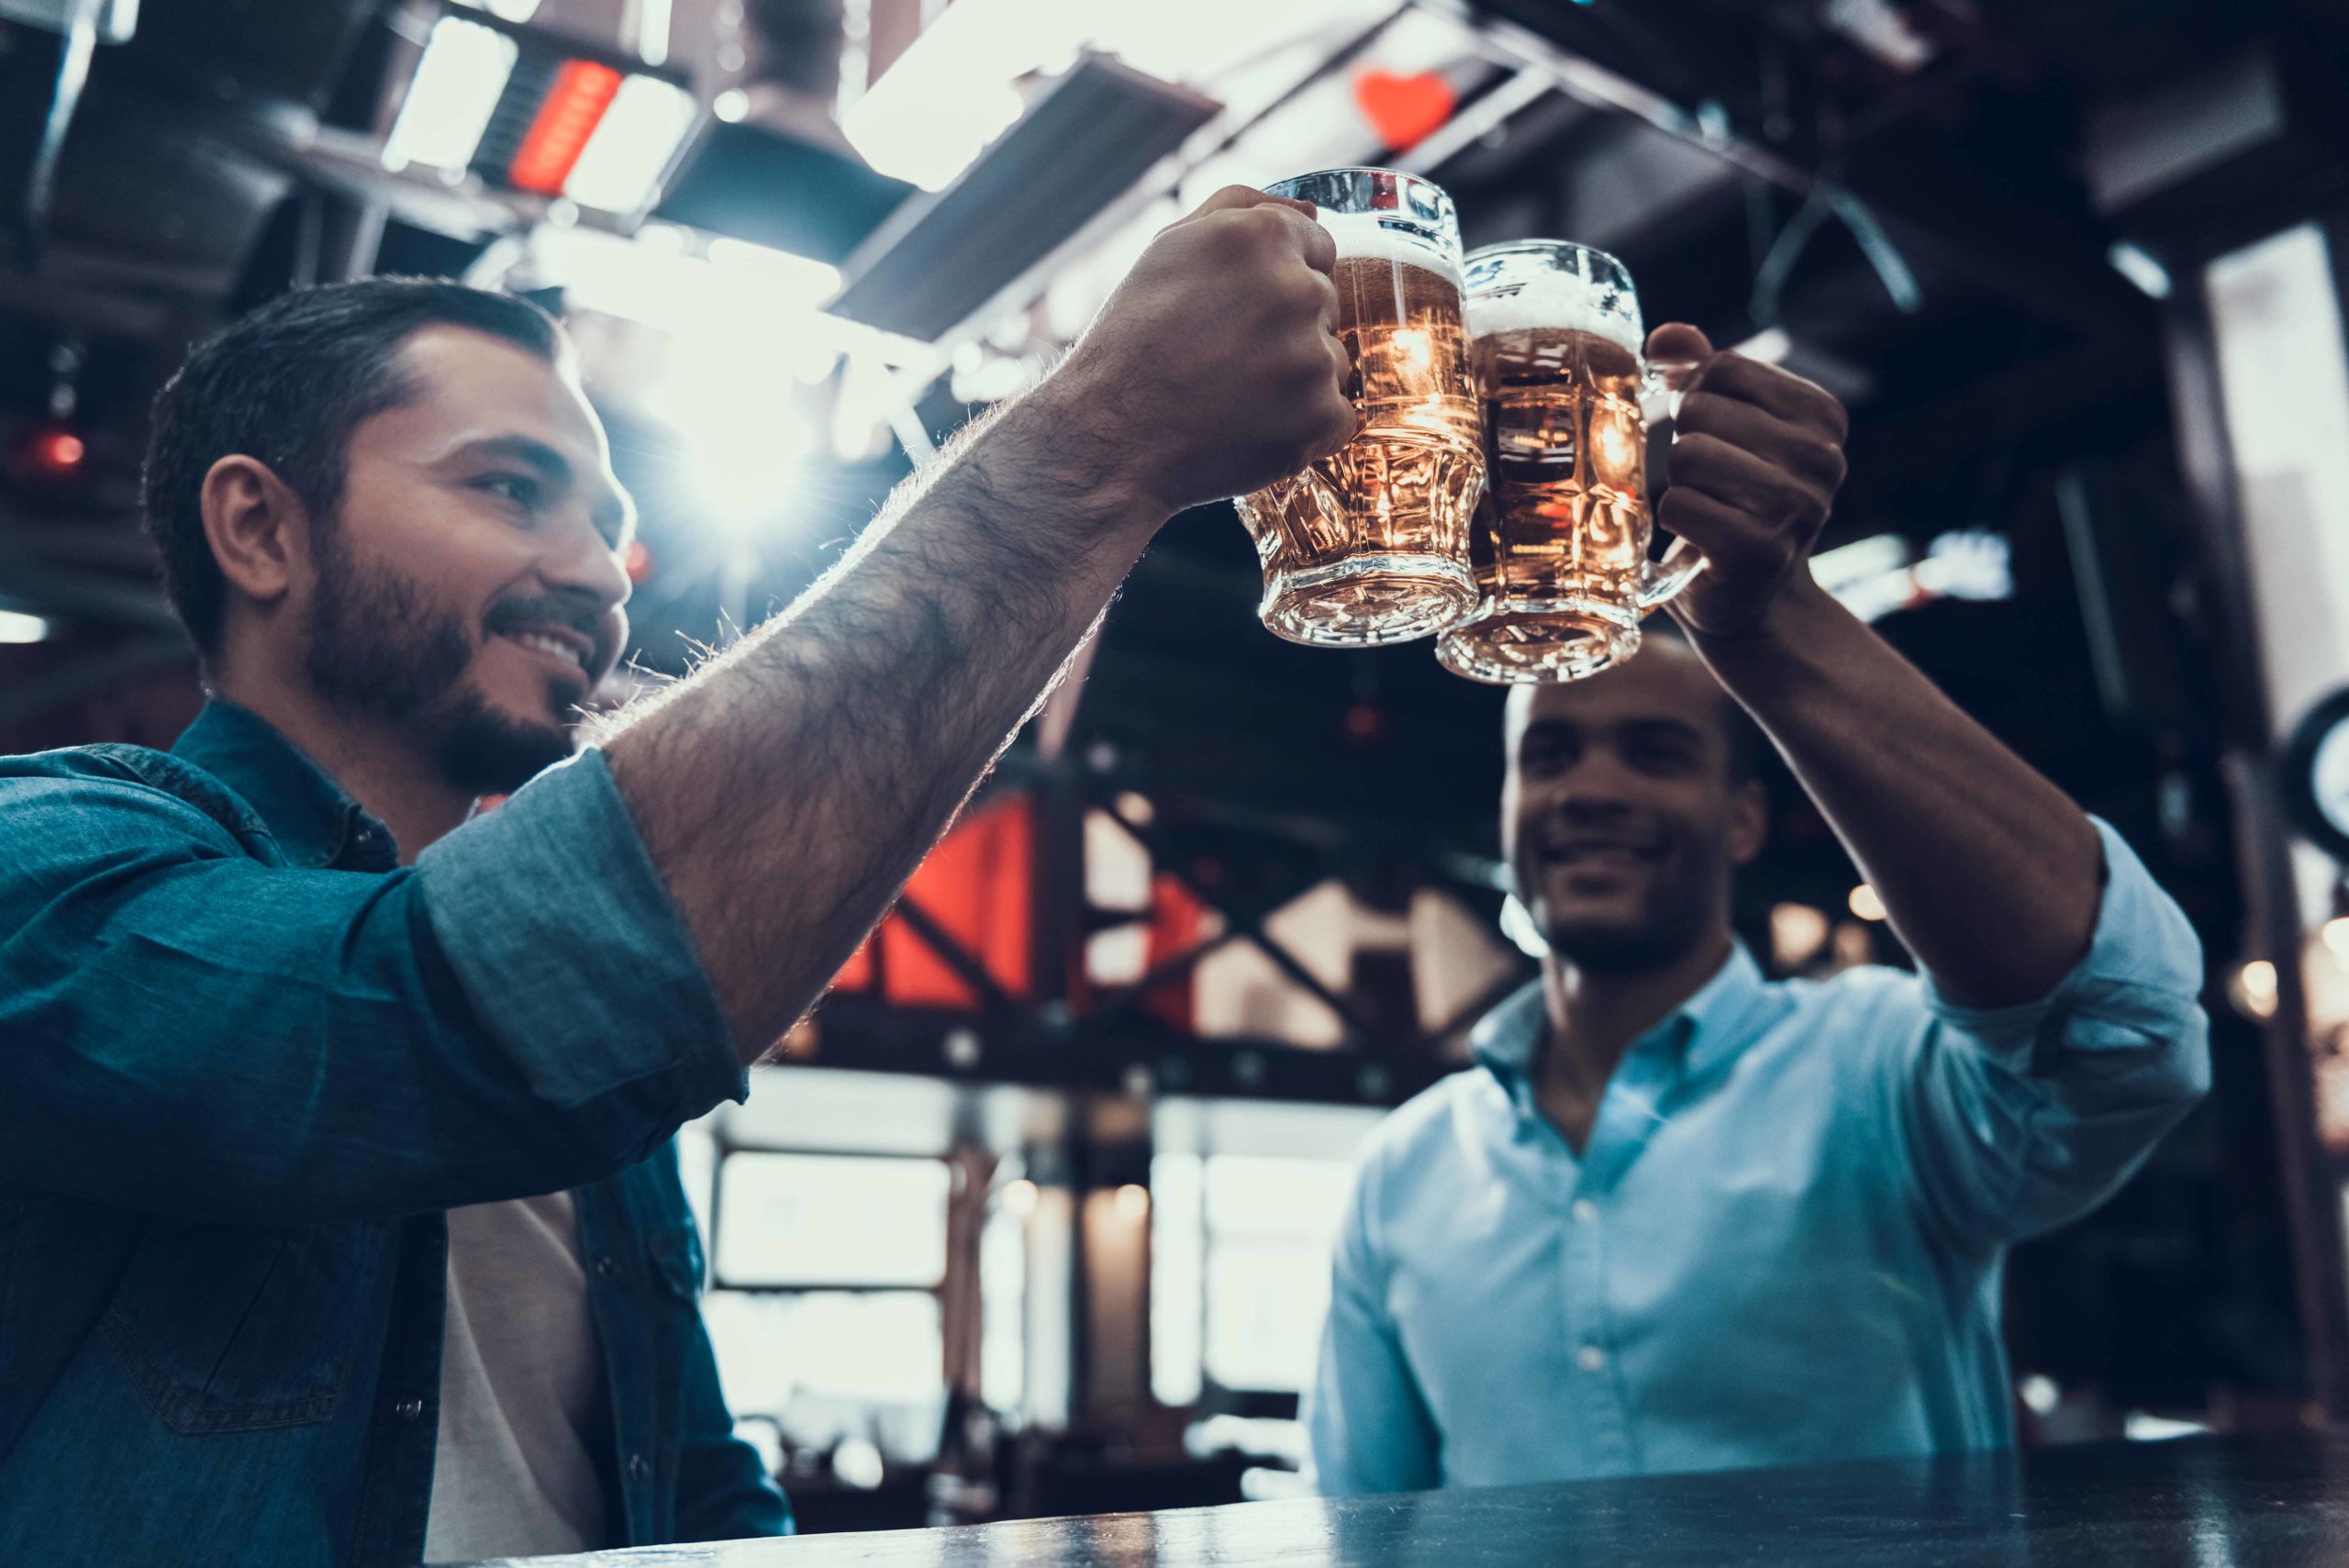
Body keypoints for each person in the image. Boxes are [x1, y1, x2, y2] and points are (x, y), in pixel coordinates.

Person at [0, 187, 1356, 1565]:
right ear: (260, 529)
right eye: (509, 487)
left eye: (611, 525)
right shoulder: (41, 863)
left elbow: (697, 1496)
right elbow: (421, 1019)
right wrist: (1100, 441)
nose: (599, 575)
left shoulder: (610, 1113)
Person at [1306, 325, 2210, 1493]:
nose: (1592, 790)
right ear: (1508, 804)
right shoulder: (1401, 1173)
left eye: (1653, 750)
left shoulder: (1876, 1067)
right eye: (1554, 756)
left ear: (1741, 819)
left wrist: (1773, 619)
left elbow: (2125, 1037)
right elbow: (1366, 1527)